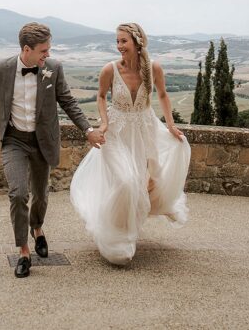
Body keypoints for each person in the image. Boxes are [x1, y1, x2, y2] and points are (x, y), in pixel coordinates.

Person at [0, 22, 106, 278]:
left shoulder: (53, 69)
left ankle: (37, 228)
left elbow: (68, 101)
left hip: (42, 140)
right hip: (14, 139)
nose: (48, 54)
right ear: (27, 49)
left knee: (41, 194)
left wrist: (88, 130)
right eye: (43, 50)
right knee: (18, 193)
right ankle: (24, 251)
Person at [70, 22, 191, 265]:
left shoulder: (153, 68)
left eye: (123, 41)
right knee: (125, 183)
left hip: (144, 131)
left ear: (137, 42)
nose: (119, 46)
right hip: (116, 133)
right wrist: (103, 124)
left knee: (143, 183)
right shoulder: (110, 70)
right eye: (117, 41)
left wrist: (170, 125)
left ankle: (130, 231)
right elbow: (101, 96)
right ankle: (119, 240)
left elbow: (163, 95)